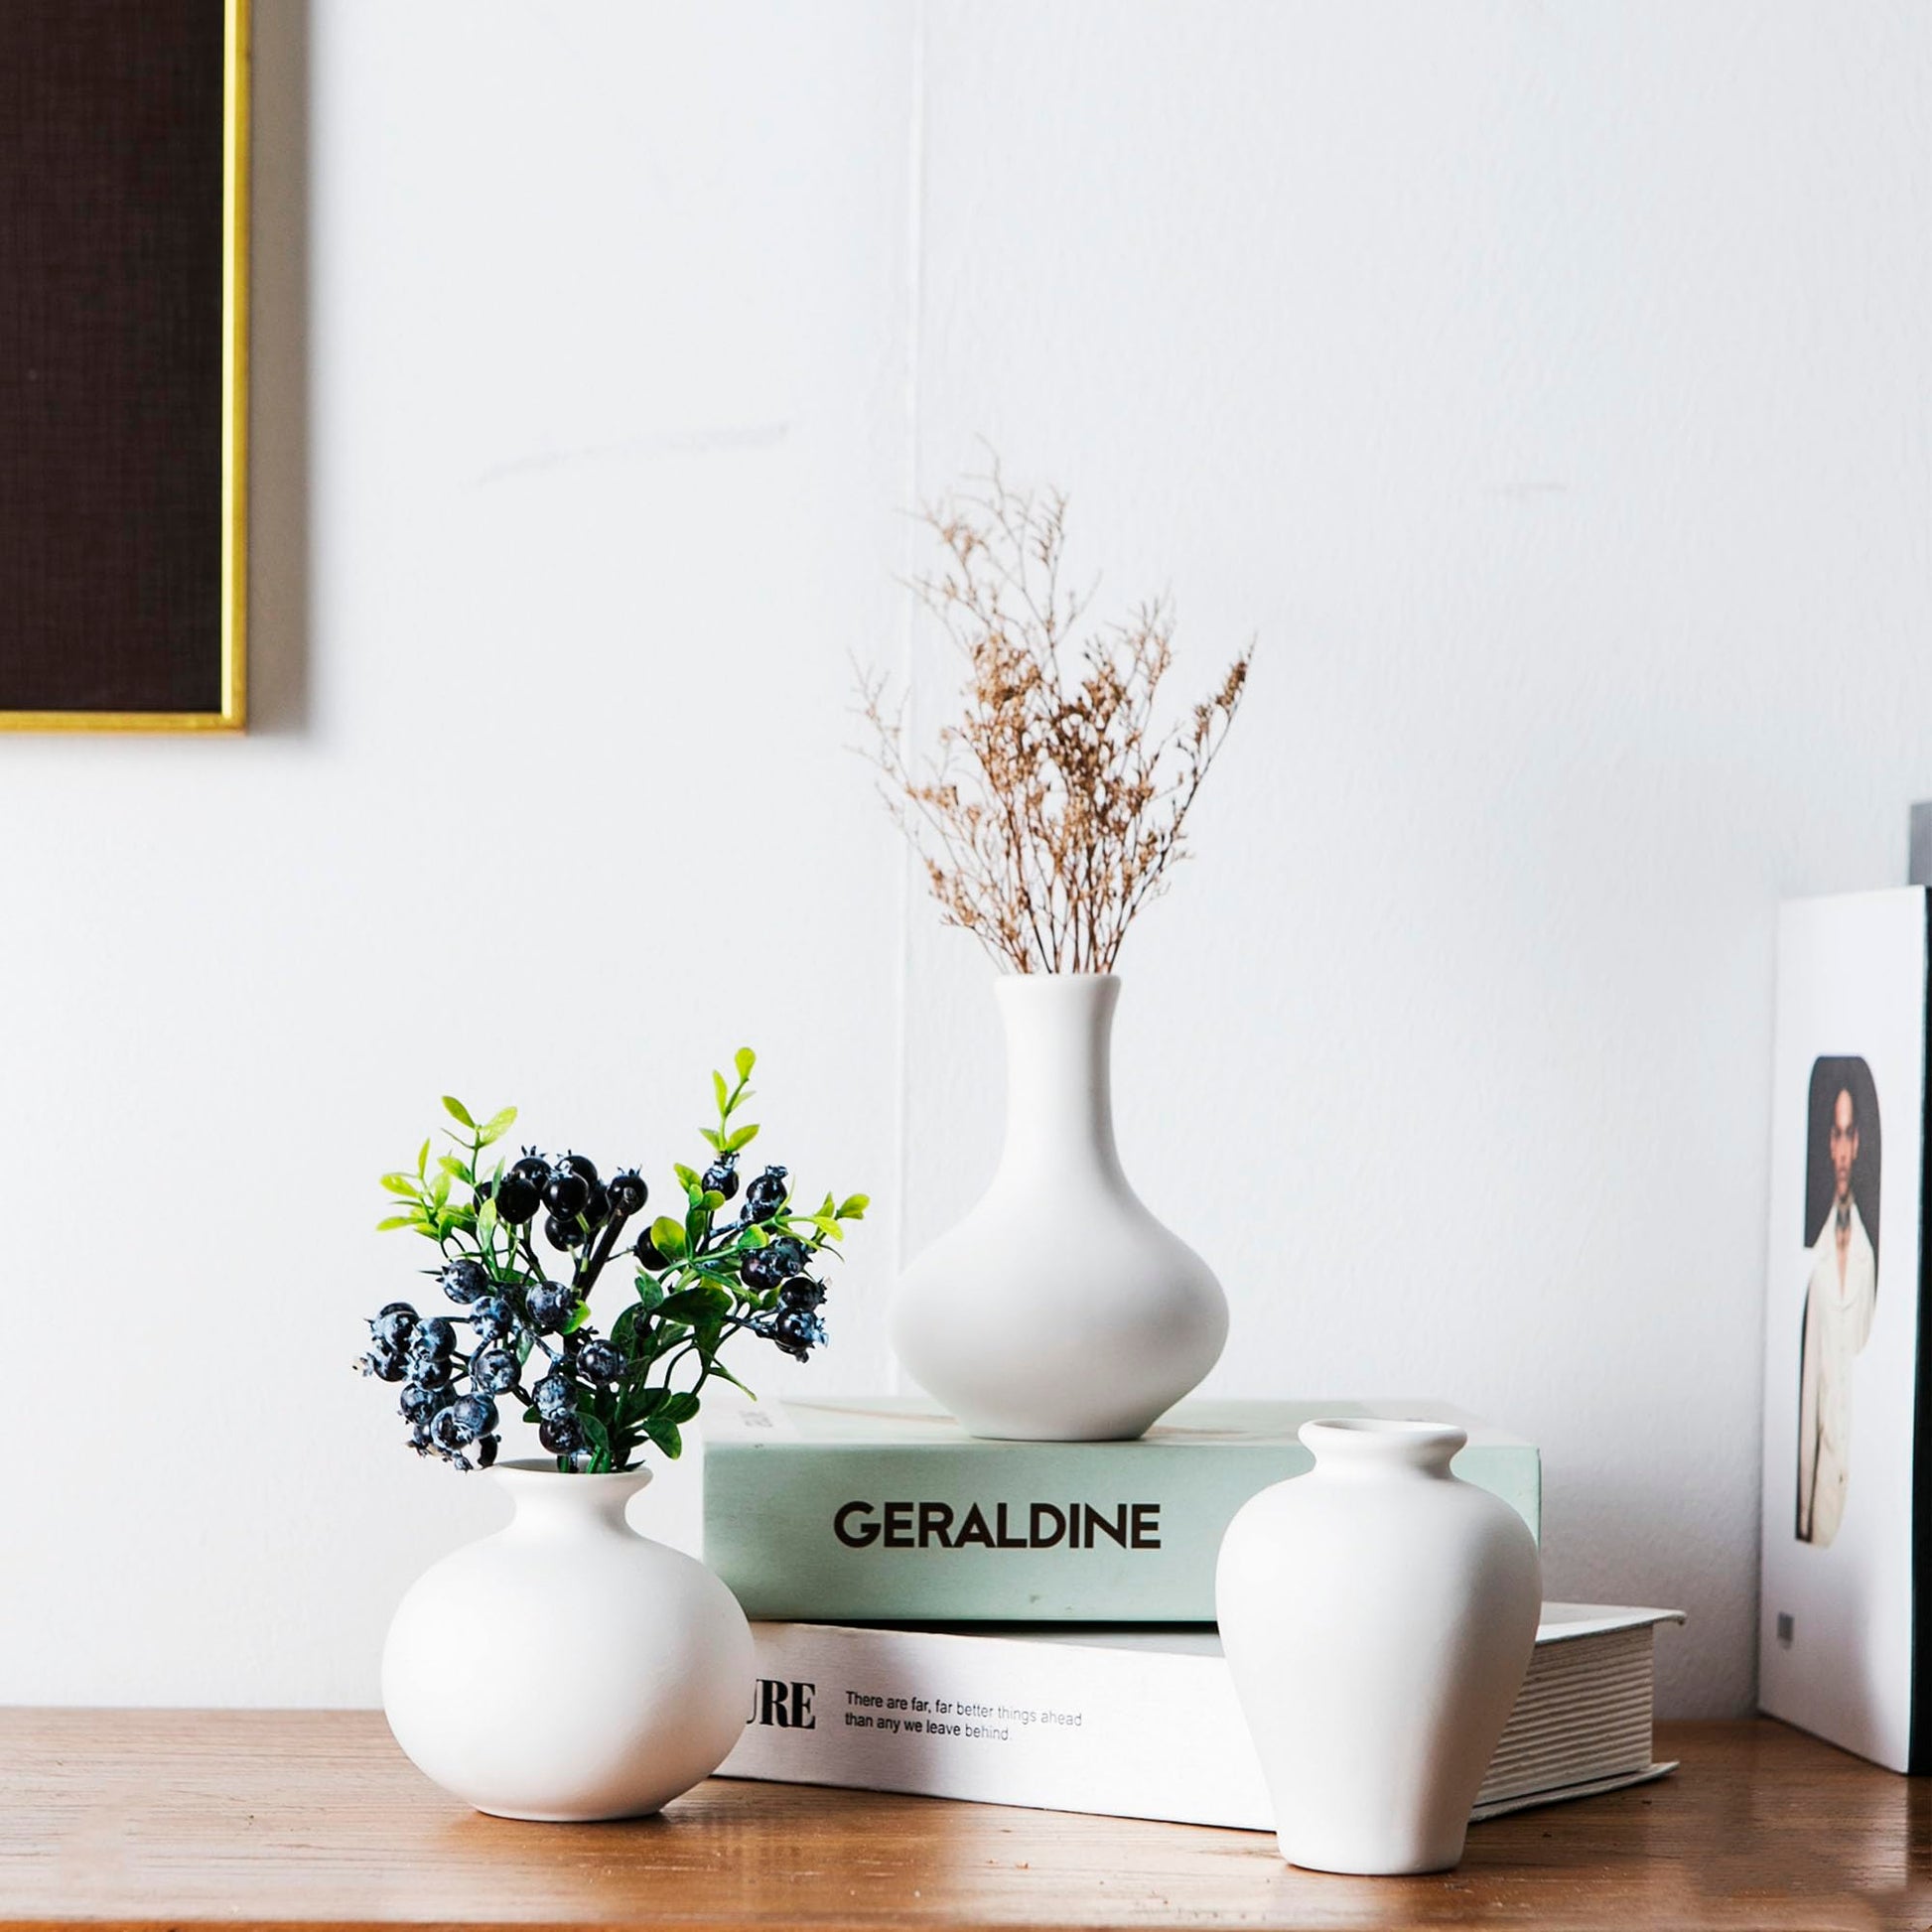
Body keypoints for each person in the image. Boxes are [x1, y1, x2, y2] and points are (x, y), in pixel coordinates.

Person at [1797, 1084, 1877, 1546]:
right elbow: (1811, 1393)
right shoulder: (1818, 1263)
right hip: (1826, 1502)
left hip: (1863, 1492)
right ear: (1829, 1143)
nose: (1843, 1150)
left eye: (1851, 1136)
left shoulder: (1870, 1258)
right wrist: (1805, 1520)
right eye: (1837, 1135)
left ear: (1857, 1143)